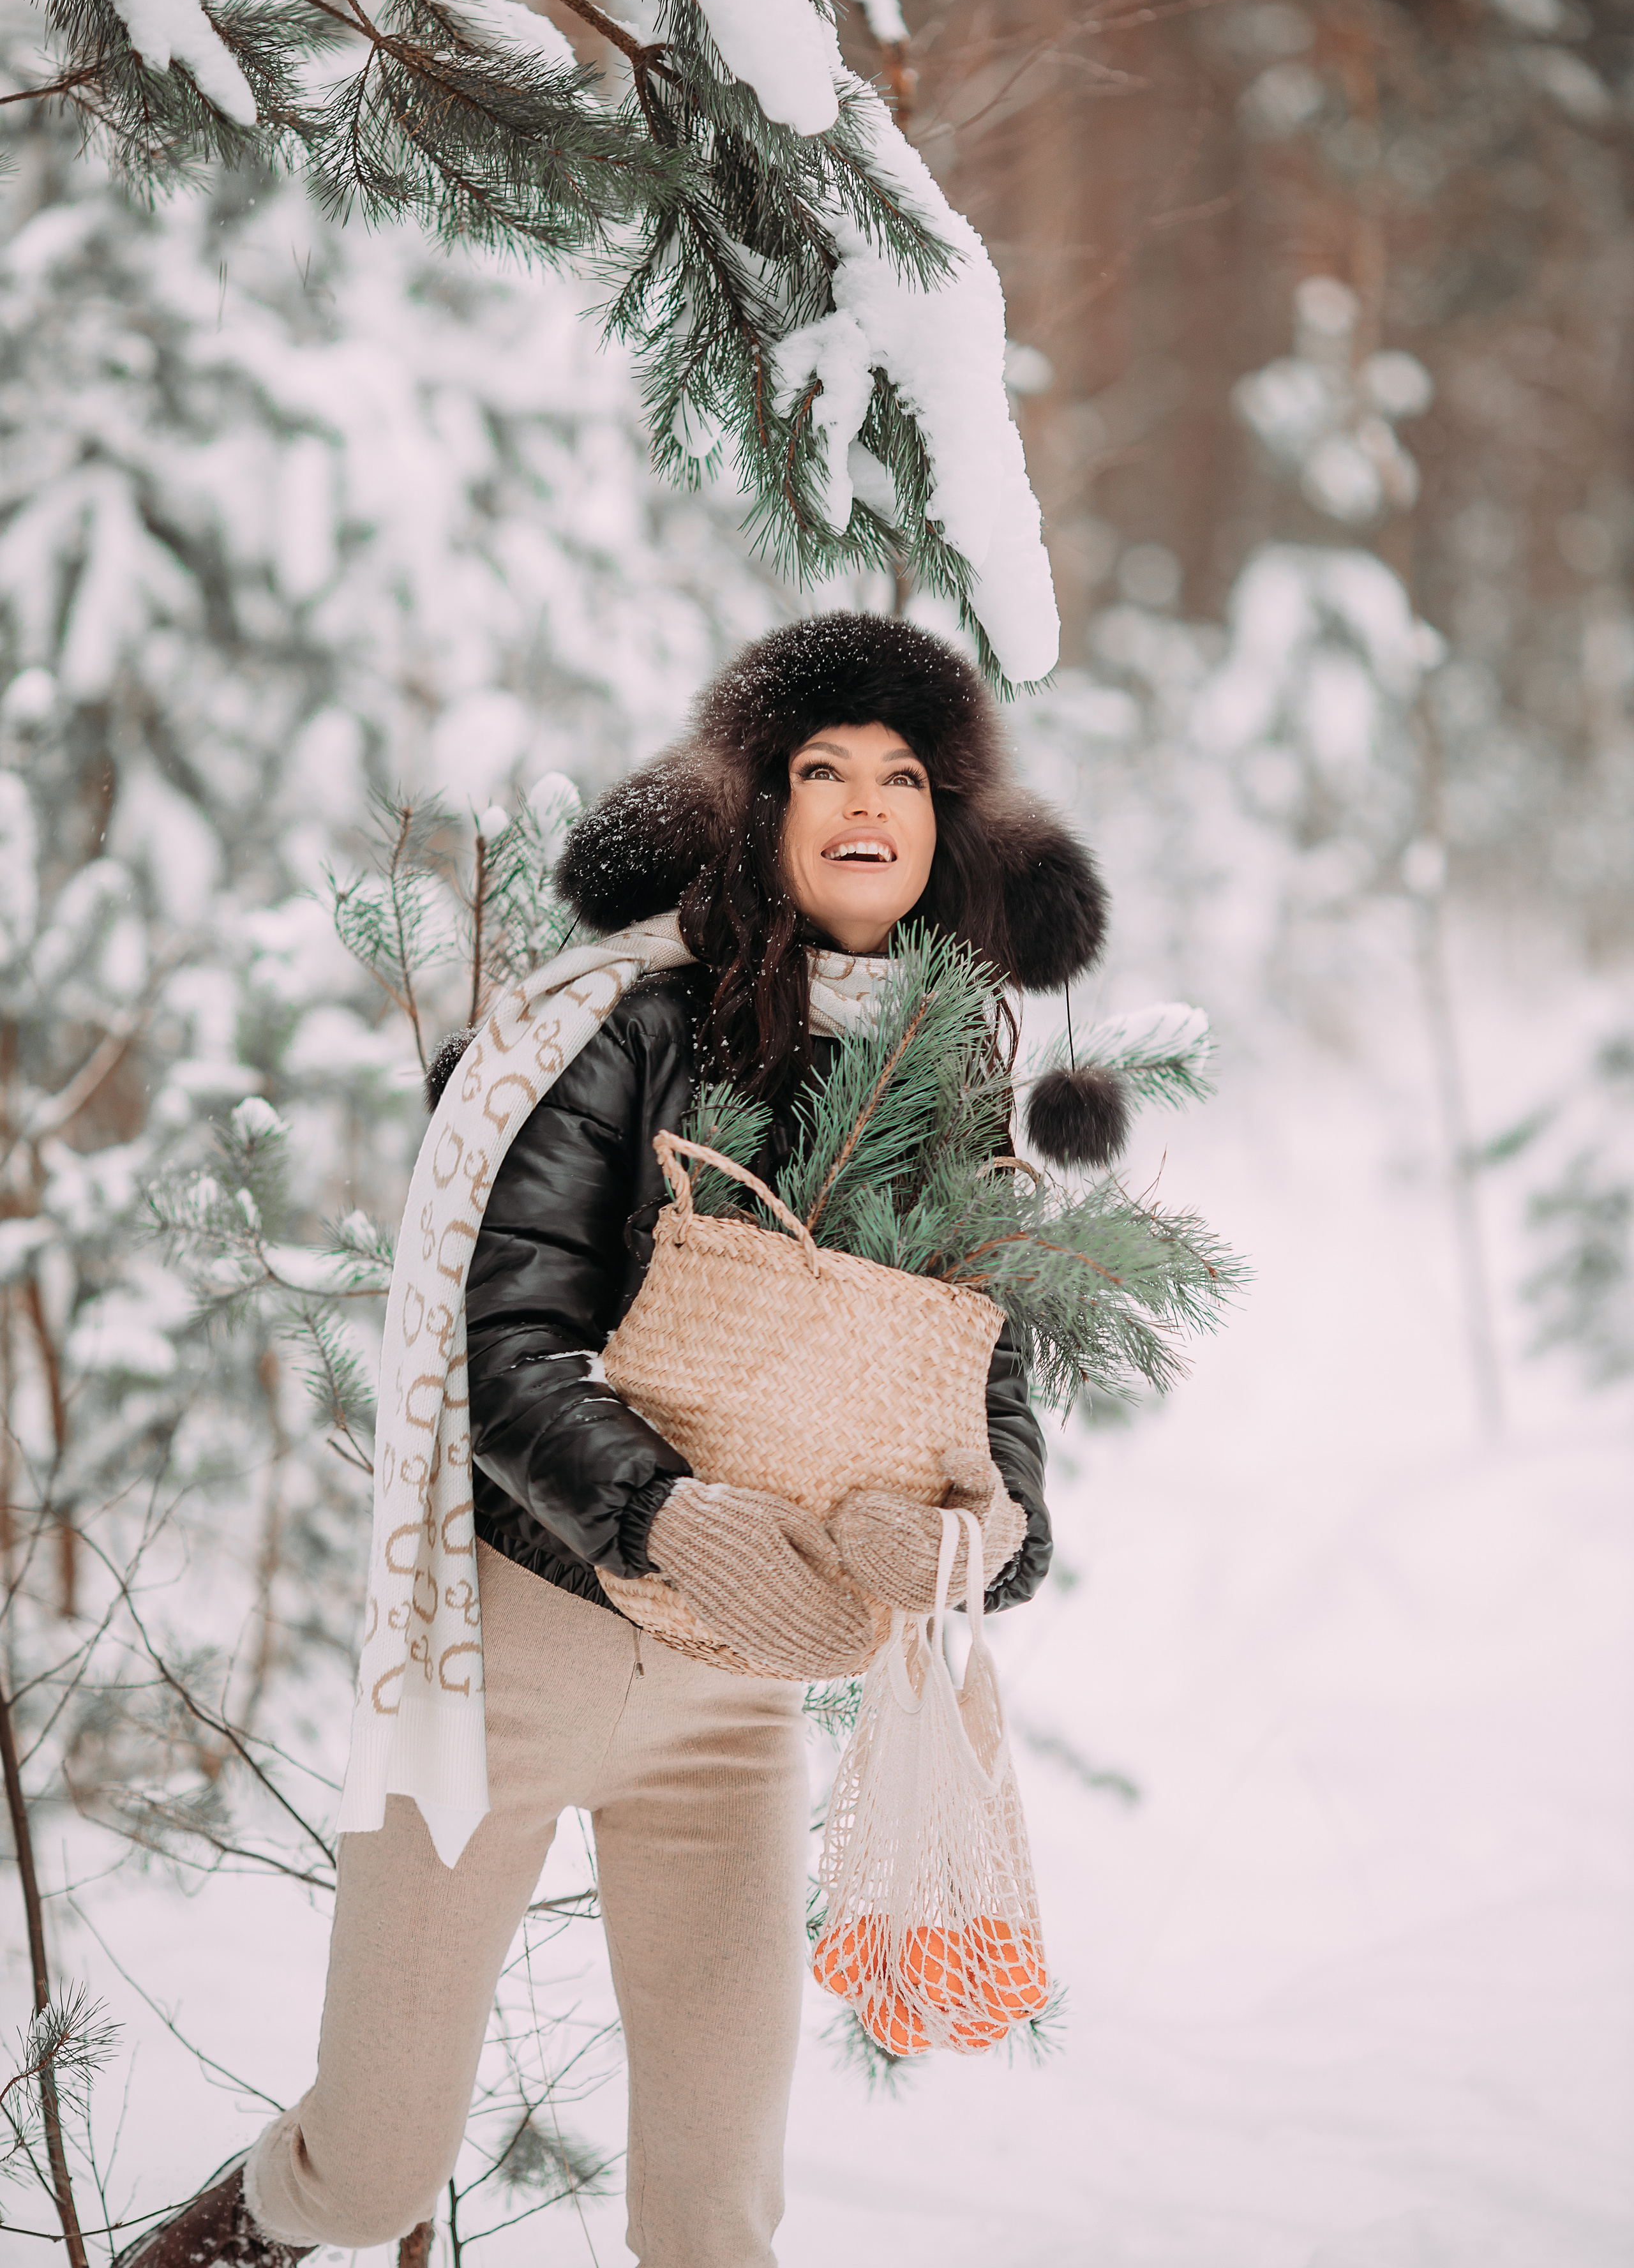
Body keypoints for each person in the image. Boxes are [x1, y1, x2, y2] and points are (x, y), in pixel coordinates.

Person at [121, 614, 1118, 2268]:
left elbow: (985, 1396)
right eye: (823, 770)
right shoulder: (629, 1029)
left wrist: (977, 1536)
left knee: (720, 2218)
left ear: (953, 827)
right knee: (370, 2171)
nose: (866, 803)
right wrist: (661, 1514)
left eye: (906, 777)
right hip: (507, 1675)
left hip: (735, 1715)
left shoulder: (953, 1087)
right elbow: (500, 1342)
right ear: (761, 806)